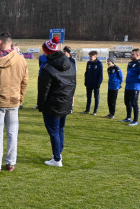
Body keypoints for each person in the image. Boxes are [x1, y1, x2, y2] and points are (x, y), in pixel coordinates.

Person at [0, 31, 29, 172]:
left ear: (0, 42)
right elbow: (25, 82)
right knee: (12, 133)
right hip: (13, 101)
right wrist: (20, 98)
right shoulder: (21, 59)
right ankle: (10, 162)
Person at [37, 38, 75, 167]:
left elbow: (43, 90)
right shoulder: (70, 63)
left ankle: (57, 158)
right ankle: (58, 153)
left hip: (53, 104)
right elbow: (72, 84)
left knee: (54, 131)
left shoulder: (47, 68)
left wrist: (41, 105)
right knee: (60, 129)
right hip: (65, 102)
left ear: (48, 51)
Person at [119, 48, 140, 126]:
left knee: (134, 103)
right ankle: (128, 118)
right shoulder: (130, 63)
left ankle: (135, 120)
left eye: (132, 54)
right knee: (127, 102)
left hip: (135, 87)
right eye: (131, 54)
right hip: (128, 86)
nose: (131, 55)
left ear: (137, 55)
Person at [34, 36, 61, 109]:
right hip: (42, 74)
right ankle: (40, 104)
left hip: (50, 77)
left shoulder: (56, 61)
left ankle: (44, 105)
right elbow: (40, 65)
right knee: (41, 90)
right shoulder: (41, 57)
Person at [81, 50, 103, 115]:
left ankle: (95, 111)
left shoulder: (99, 64)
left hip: (96, 83)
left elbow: (100, 74)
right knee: (88, 97)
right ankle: (87, 110)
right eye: (89, 56)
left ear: (95, 56)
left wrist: (99, 83)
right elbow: (87, 72)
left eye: (91, 56)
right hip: (89, 83)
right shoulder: (89, 63)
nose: (90, 57)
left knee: (96, 97)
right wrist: (86, 81)